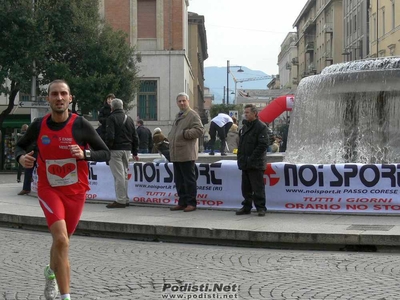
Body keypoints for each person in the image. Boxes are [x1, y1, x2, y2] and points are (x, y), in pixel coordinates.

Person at [15, 79, 110, 300]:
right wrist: (21, 158)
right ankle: (65, 296)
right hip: (49, 189)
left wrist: (85, 154)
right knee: (62, 240)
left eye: (63, 94)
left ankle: (50, 273)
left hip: (75, 192)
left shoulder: (81, 125)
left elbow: (105, 153)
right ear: (48, 98)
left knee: (62, 241)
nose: (59, 98)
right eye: (54, 94)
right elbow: (21, 145)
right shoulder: (39, 124)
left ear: (70, 98)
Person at [168, 92, 203, 212]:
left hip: (187, 153)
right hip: (177, 153)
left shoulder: (192, 115)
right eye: (179, 101)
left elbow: (199, 130)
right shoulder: (179, 115)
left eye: (184, 100)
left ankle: (191, 203)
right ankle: (182, 202)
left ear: (188, 101)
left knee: (189, 180)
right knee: (179, 180)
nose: (182, 103)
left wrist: (184, 134)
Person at [236, 104, 270, 217]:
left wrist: (251, 158)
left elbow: (263, 145)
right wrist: (240, 157)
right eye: (245, 112)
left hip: (256, 163)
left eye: (247, 113)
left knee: (258, 187)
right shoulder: (245, 126)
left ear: (254, 113)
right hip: (245, 162)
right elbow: (241, 144)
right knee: (245, 187)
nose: (245, 115)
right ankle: (246, 206)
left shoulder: (261, 127)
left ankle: (261, 207)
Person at [105, 98, 139, 208]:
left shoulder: (111, 118)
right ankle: (125, 198)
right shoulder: (129, 119)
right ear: (122, 106)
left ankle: (120, 200)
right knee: (124, 175)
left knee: (118, 176)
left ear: (112, 107)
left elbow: (110, 136)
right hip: (127, 149)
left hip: (115, 149)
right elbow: (135, 137)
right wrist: (135, 151)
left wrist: (107, 149)